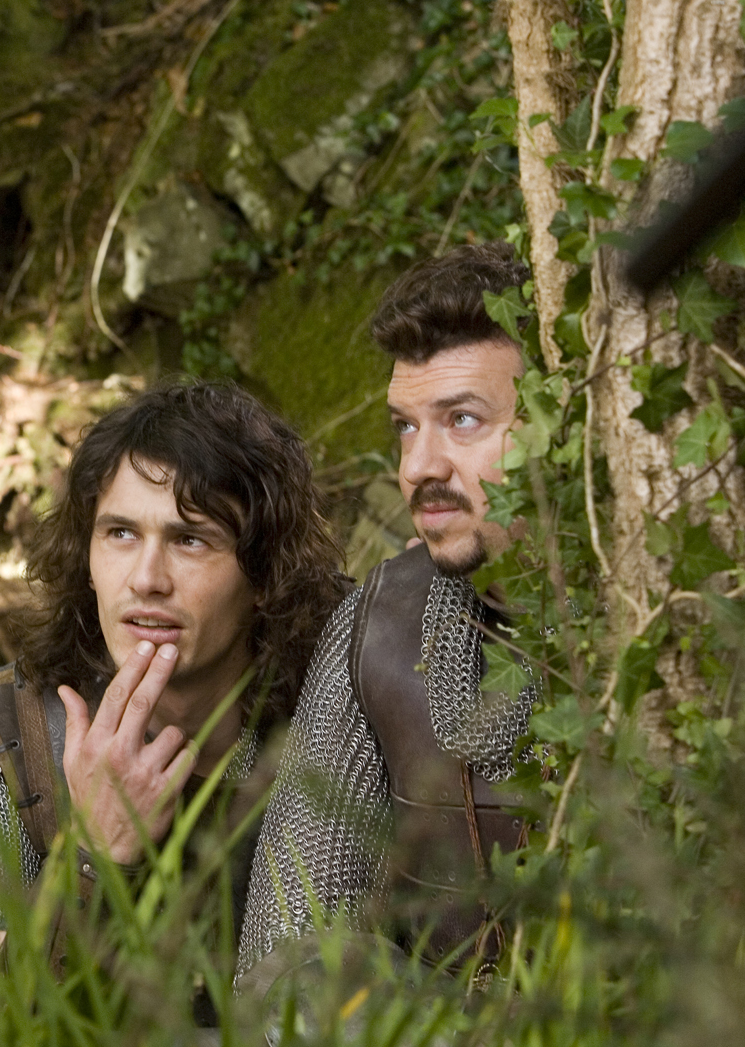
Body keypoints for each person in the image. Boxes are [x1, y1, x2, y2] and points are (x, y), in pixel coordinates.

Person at [0, 381, 347, 1045]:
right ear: (87, 557)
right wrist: (95, 855)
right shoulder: (4, 739)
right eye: (120, 532)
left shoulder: (336, 718)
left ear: (263, 575)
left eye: (190, 539)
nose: (146, 577)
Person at [234, 241, 540, 986]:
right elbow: (289, 956)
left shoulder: (660, 618)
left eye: (462, 420)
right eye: (405, 425)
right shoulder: (382, 627)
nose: (418, 466)